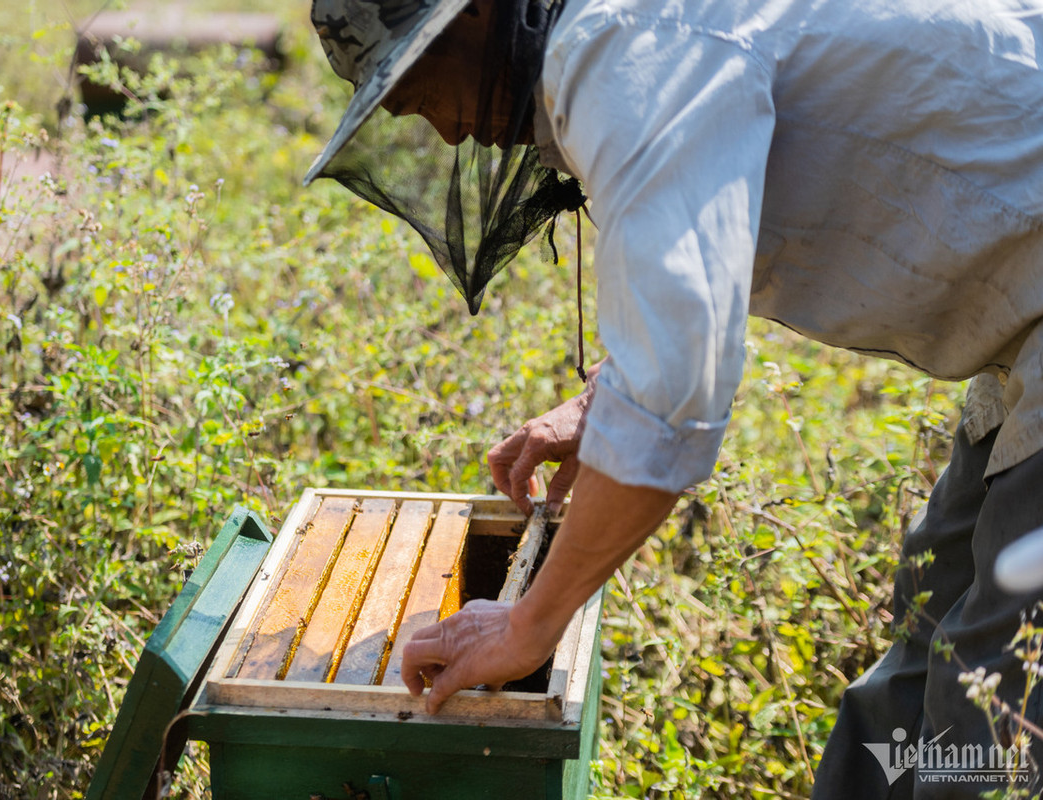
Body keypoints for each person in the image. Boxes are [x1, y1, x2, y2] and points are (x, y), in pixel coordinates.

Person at [306, 0, 1043, 795]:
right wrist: (602, 405)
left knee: (993, 710)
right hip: (1021, 317)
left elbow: (674, 387)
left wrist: (529, 624)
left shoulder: (628, 49)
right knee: (926, 627)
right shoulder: (632, 35)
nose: (446, 132)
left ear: (478, 16)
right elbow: (696, 270)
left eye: (424, 87)